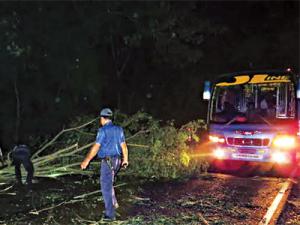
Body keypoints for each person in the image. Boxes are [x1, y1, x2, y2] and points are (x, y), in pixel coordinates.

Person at [81, 108, 129, 221]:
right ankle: (114, 203)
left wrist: (86, 160)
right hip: (117, 161)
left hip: (108, 161)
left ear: (102, 118)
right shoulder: (119, 129)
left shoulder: (102, 130)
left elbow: (96, 146)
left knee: (105, 187)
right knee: (109, 182)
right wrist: (125, 159)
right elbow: (124, 146)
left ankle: (110, 215)